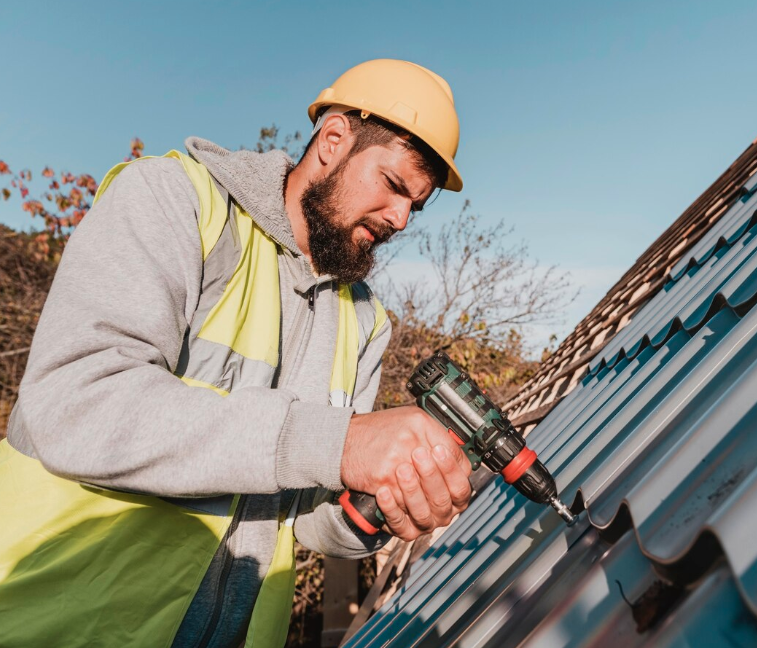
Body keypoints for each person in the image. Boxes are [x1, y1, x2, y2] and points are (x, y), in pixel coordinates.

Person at [0, 59, 471, 648]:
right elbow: (74, 403)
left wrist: (380, 503)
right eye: (394, 185)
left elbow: (308, 517)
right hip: (55, 626)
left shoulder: (364, 319)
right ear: (333, 142)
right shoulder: (174, 201)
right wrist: (339, 441)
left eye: (416, 206)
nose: (401, 219)